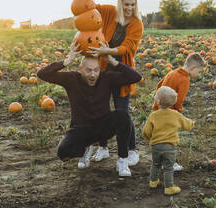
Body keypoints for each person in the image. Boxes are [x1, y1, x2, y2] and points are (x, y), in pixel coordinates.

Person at [36, 44, 142, 177]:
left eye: (96, 70)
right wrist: (66, 61)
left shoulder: (106, 78)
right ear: (80, 69)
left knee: (122, 116)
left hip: (103, 127)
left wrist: (112, 61)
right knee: (63, 153)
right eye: (88, 70)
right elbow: (41, 74)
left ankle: (122, 161)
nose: (93, 74)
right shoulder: (71, 78)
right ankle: (85, 149)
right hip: (80, 128)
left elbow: (136, 77)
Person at [87, 0, 143, 166]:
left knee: (122, 112)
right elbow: (90, 5)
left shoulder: (136, 24)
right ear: (120, 3)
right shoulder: (110, 12)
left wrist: (106, 52)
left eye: (132, 4)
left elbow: (126, 48)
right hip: (103, 70)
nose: (129, 8)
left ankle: (132, 149)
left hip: (121, 72)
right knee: (101, 110)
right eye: (126, 4)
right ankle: (103, 148)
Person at [152, 53, 206, 171]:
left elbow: (159, 86)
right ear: (193, 68)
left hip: (159, 110)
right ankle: (169, 163)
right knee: (170, 140)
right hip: (169, 114)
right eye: (199, 72)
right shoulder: (184, 81)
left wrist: (157, 104)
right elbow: (179, 101)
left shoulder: (172, 73)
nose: (198, 75)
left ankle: (160, 161)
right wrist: (178, 114)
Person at [142, 86, 194, 195]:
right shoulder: (175, 115)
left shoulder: (153, 115)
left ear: (158, 101)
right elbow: (186, 124)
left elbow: (146, 131)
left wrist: (149, 138)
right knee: (168, 167)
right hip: (170, 147)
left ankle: (153, 181)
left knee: (155, 164)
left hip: (156, 146)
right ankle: (169, 187)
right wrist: (192, 123)